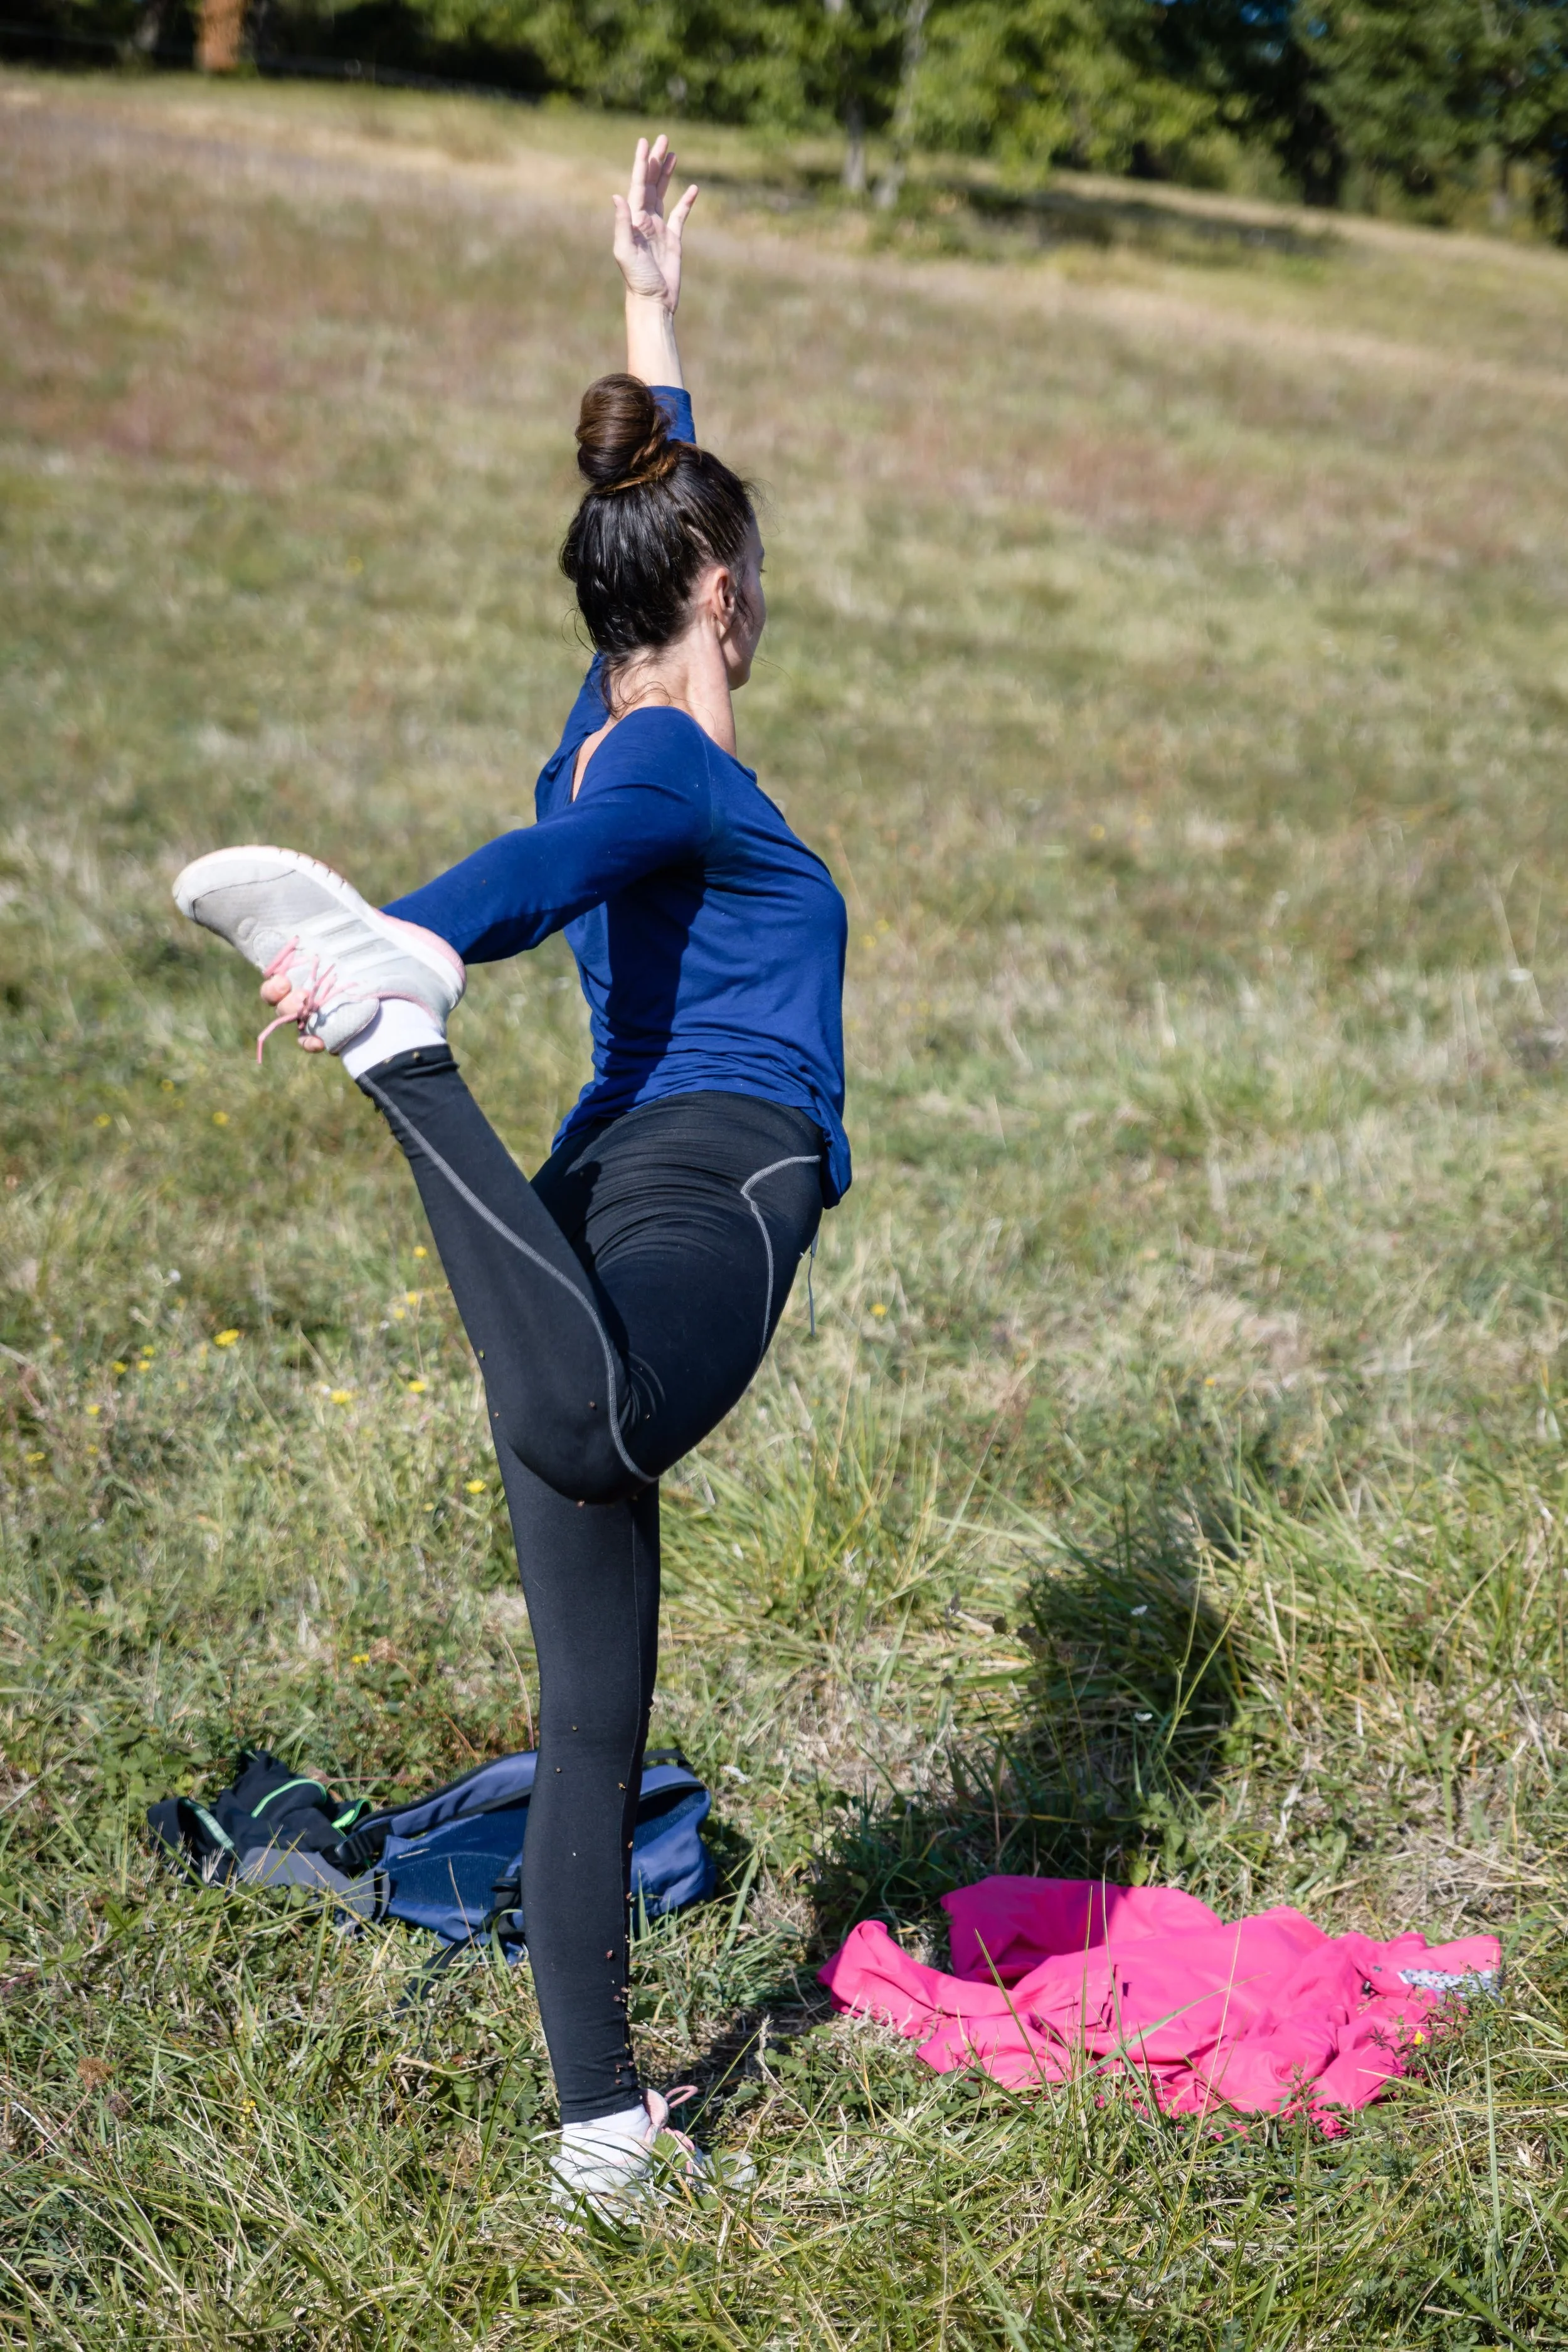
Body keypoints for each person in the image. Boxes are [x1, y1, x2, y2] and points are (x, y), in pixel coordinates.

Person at [172, 136, 849, 2219]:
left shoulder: (602, 712)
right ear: (727, 596)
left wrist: (648, 314)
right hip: (710, 1183)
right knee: (591, 1422)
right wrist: (419, 946)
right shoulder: (668, 762)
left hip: (576, 1217)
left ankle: (599, 2132)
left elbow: (658, 526)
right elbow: (553, 872)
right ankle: (404, 1062)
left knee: (589, 1703)